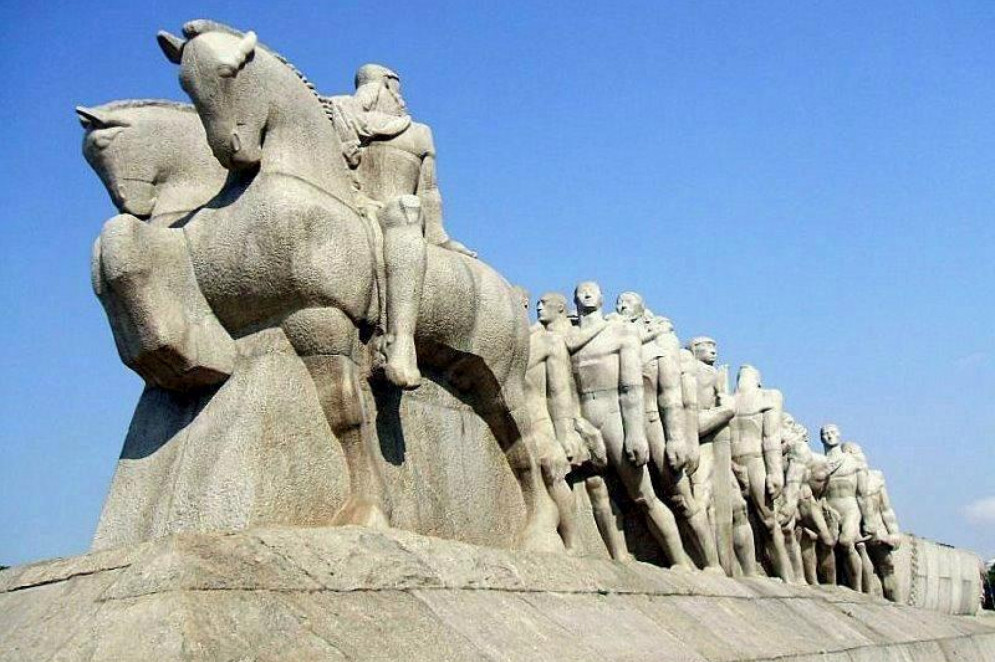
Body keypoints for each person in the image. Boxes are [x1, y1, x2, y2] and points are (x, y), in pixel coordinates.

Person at [324, 64, 474, 389]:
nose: (399, 98)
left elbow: (429, 190)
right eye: (395, 89)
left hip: (400, 215)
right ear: (388, 87)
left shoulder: (418, 132)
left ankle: (401, 341)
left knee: (405, 208)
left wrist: (438, 235)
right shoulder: (337, 112)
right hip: (353, 206)